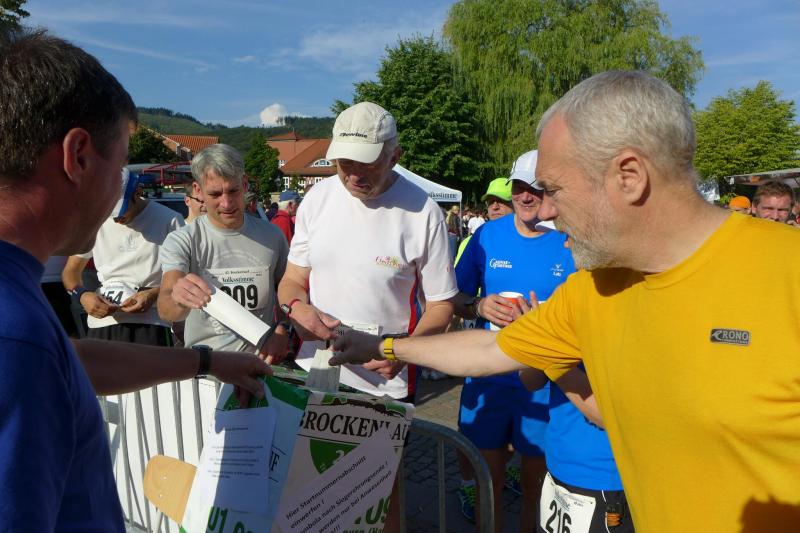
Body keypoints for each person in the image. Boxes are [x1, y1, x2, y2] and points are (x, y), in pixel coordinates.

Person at [330, 71, 800, 532]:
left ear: (629, 176)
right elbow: (492, 349)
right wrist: (385, 347)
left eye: (553, 189)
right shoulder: (597, 284)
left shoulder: (786, 275)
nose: (547, 210)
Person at [0, 28, 269, 532]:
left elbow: (68, 360)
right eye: (122, 163)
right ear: (78, 156)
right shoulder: (15, 331)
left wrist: (207, 362)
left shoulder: (19, 314)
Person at [278, 101, 457, 532]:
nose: (354, 175)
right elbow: (292, 281)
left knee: (379, 498)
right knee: (310, 490)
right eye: (345, 163)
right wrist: (297, 308)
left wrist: (400, 351)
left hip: (383, 379)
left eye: (367, 164)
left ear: (394, 156)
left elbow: (442, 305)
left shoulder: (423, 212)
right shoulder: (317, 200)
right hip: (318, 371)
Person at [452, 150, 563, 531]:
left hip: (545, 386)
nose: (526, 195)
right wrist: (479, 305)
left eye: (536, 188)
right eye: (519, 186)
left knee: (536, 491)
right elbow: (453, 299)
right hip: (490, 378)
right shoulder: (488, 235)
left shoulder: (569, 240)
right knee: (489, 486)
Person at [157, 144, 290, 362]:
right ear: (198, 191)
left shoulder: (272, 236)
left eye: (233, 191)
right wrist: (178, 298)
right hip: (206, 369)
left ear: (244, 184)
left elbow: (289, 291)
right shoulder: (182, 240)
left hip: (260, 367)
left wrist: (284, 329)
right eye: (215, 194)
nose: (226, 203)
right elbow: (166, 309)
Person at [62, 169, 184, 346]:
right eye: (110, 213)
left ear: (137, 192)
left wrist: (153, 294)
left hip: (152, 323)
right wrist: (82, 295)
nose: (116, 219)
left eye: (121, 211)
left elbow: (186, 275)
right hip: (103, 322)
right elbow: (70, 272)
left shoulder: (170, 220)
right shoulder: (95, 219)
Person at [454, 177, 514, 264]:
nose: (495, 207)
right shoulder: (470, 243)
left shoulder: (530, 241)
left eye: (501, 201)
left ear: (516, 204)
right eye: (490, 202)